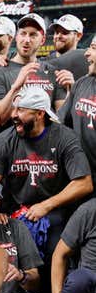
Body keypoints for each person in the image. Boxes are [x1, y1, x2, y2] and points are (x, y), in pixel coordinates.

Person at [0, 86, 92, 293]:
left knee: (56, 252)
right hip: (16, 212)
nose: (13, 115)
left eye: (21, 110)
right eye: (15, 109)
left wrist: (46, 206)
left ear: (40, 113)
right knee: (14, 253)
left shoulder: (64, 137)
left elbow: (84, 183)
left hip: (56, 212)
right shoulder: (6, 140)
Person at [0, 13, 68, 131]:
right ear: (16, 36)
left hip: (45, 143)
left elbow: (61, 119)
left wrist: (70, 91)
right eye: (23, 33)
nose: (27, 40)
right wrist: (16, 87)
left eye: (33, 35)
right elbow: (0, 119)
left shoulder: (52, 72)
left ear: (43, 39)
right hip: (13, 144)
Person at [58, 34, 96, 186]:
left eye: (93, 48)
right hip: (78, 177)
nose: (86, 53)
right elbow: (58, 123)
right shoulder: (82, 83)